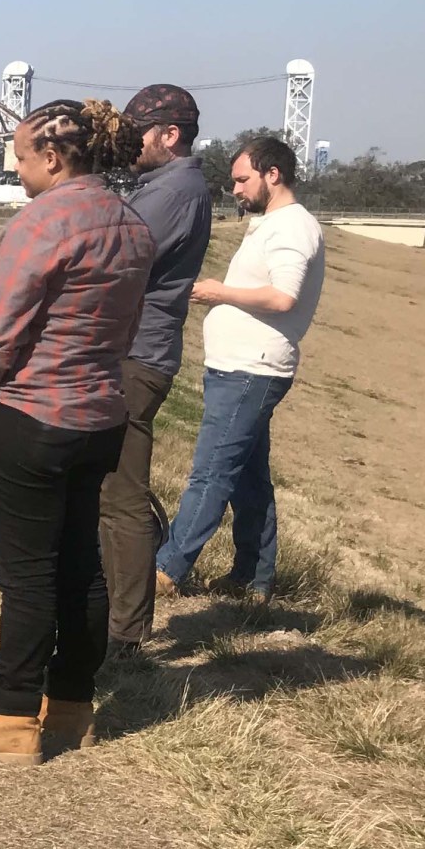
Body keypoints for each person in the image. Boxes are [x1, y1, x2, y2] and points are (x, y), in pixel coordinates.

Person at [0, 100, 153, 766]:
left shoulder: (41, 224)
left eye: (21, 158)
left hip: (31, 416)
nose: (18, 169)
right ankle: (72, 703)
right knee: (82, 567)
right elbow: (130, 328)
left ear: (53, 157)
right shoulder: (133, 226)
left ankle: (11, 713)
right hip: (99, 417)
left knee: (27, 577)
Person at [156, 136, 326, 606]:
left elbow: (283, 297)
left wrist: (218, 292)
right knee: (248, 477)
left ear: (273, 174)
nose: (234, 189)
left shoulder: (291, 228)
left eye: (241, 179)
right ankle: (253, 578)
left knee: (210, 474)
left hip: (252, 369)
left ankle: (166, 569)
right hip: (242, 368)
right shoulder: (276, 224)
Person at [100, 85, 215, 659]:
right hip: (133, 352)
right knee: (112, 490)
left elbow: (115, 256)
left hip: (136, 357)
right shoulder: (164, 187)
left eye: (136, 132)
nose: (127, 142)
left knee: (122, 496)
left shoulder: (175, 191)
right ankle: (115, 613)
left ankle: (125, 633)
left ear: (169, 134)